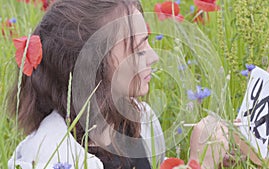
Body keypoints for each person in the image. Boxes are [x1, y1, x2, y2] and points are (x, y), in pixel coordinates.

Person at [8, 0, 229, 168]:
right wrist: (200, 162)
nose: (153, 57)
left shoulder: (141, 118)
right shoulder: (53, 156)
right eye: (138, 48)